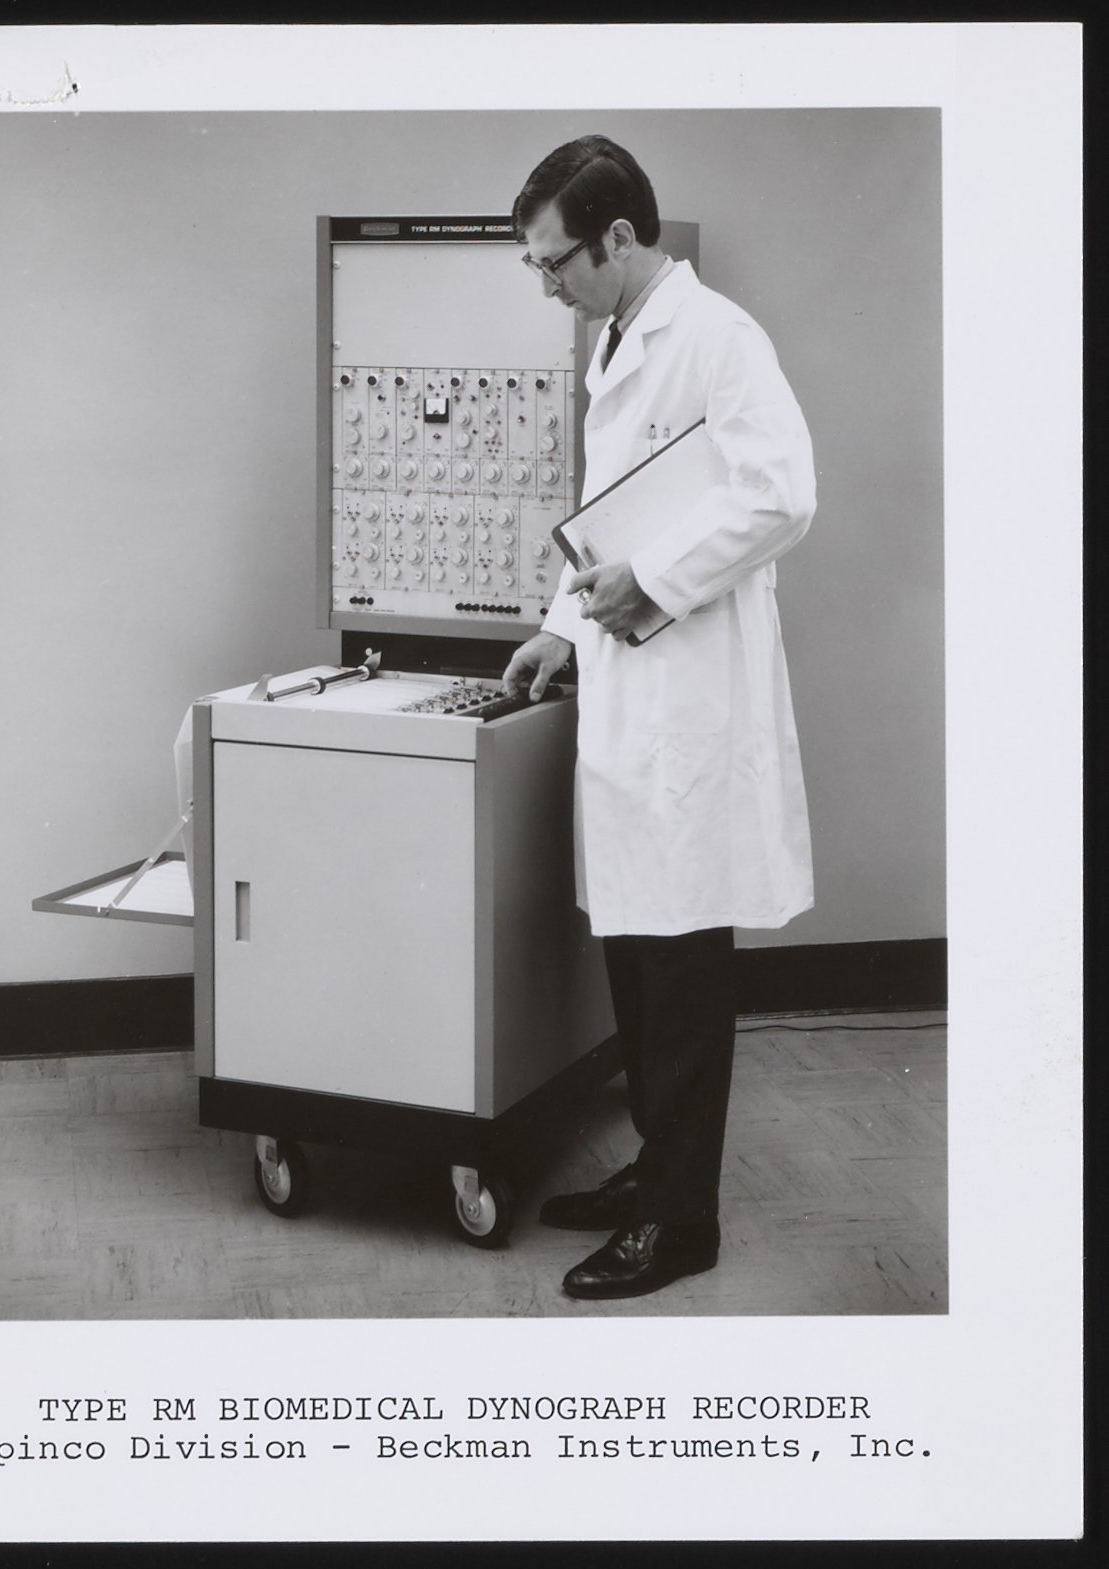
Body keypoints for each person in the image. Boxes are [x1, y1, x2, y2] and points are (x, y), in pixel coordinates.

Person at [502, 135, 816, 1302]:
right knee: (636, 954)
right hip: (630, 686)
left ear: (620, 238)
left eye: (555, 263)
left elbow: (782, 495)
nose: (549, 286)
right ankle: (655, 1172)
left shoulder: (720, 338)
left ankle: (681, 1223)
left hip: (690, 697)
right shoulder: (616, 338)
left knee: (678, 967)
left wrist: (656, 581)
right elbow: (607, 513)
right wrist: (563, 625)